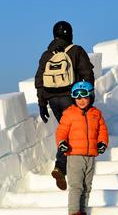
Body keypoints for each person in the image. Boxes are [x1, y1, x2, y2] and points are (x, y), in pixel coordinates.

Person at [35, 20, 95, 190]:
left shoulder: (47, 55)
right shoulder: (76, 51)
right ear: (71, 34)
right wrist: (89, 95)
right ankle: (62, 166)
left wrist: (42, 103)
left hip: (53, 100)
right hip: (71, 97)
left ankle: (63, 166)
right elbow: (87, 73)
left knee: (66, 128)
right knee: (72, 131)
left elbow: (39, 80)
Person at [55, 81, 109, 215]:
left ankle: (82, 213)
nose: (81, 100)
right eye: (77, 97)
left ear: (91, 96)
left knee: (87, 186)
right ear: (73, 99)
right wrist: (61, 143)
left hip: (90, 155)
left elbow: (103, 131)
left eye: (84, 97)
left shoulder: (96, 114)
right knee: (76, 186)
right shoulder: (69, 114)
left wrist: (102, 142)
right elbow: (61, 132)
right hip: (74, 155)